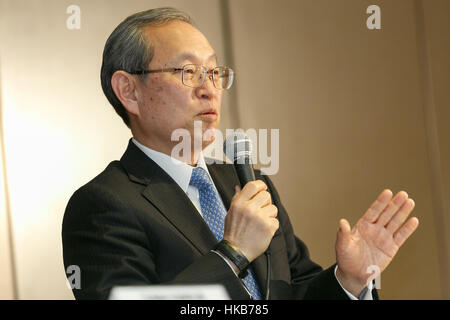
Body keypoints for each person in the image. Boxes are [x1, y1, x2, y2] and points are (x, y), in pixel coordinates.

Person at [62, 7, 419, 300]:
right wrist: (232, 253)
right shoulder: (101, 206)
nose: (209, 89)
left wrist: (349, 280)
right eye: (188, 72)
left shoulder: (247, 182)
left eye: (214, 72)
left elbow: (293, 293)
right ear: (129, 90)